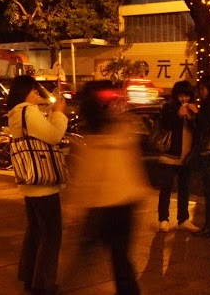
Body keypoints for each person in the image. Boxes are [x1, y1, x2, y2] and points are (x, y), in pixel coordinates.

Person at [68, 80, 147, 295]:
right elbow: (134, 164)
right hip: (126, 202)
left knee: (87, 256)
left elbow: (86, 175)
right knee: (120, 257)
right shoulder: (124, 127)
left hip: (102, 206)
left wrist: (75, 206)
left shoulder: (90, 137)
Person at [6, 75, 68, 295]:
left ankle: (29, 275)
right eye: (33, 91)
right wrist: (59, 114)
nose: (36, 95)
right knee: (52, 233)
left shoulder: (15, 114)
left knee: (35, 231)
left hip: (30, 180)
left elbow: (40, 133)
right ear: (25, 92)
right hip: (44, 183)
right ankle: (43, 283)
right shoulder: (28, 111)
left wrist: (52, 113)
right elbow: (54, 135)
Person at [156, 80, 200, 232]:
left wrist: (195, 116)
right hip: (170, 156)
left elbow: (199, 131)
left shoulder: (192, 110)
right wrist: (178, 115)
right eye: (181, 96)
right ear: (176, 96)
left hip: (186, 157)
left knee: (184, 189)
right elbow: (165, 126)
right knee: (166, 189)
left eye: (187, 96)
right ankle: (163, 219)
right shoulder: (168, 108)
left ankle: (183, 219)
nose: (184, 99)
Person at [196, 74, 210, 238]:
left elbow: (204, 124)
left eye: (202, 88)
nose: (201, 92)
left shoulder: (209, 104)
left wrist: (195, 113)